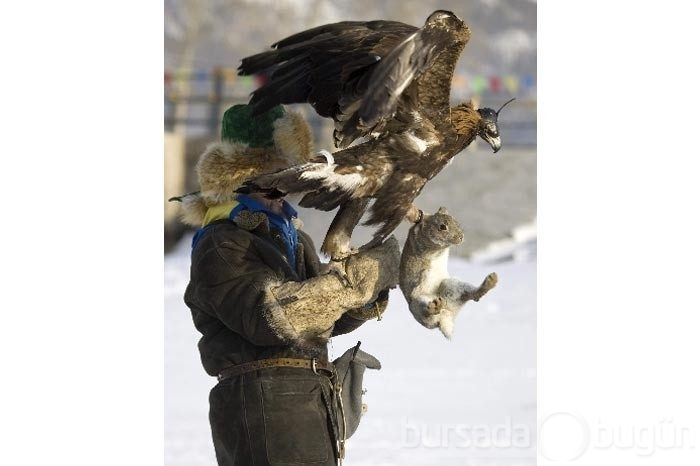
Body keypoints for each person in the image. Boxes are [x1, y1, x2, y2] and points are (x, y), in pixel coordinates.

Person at [176, 103, 401, 466]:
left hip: (306, 398)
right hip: (263, 402)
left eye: (292, 175)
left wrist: (372, 283)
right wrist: (350, 284)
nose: (287, 189)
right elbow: (273, 317)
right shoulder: (222, 241)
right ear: (243, 178)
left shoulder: (293, 236)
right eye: (277, 179)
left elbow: (323, 318)